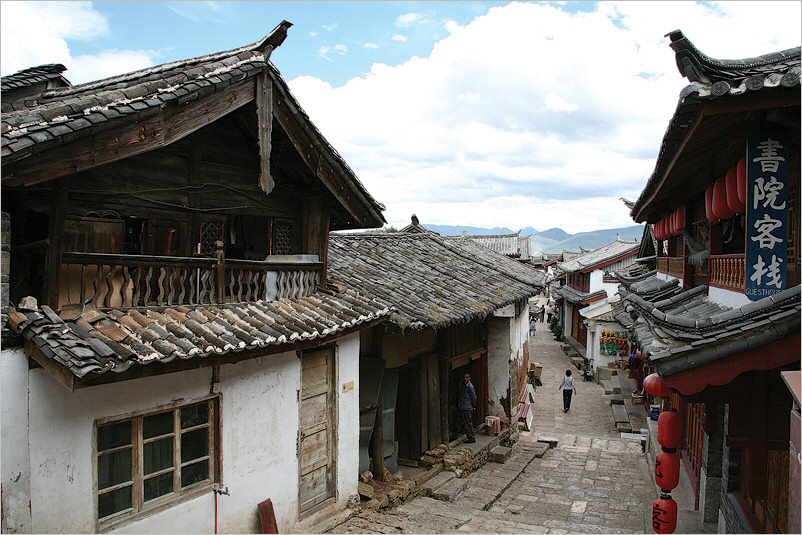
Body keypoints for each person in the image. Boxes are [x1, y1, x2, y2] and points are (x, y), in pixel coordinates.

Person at [458, 373, 478, 443]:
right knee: (462, 422)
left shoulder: (470, 387)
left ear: (469, 378)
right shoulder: (465, 386)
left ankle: (471, 438)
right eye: (464, 377)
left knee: (467, 423)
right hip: (463, 406)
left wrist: (473, 405)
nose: (465, 379)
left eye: (466, 377)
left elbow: (474, 397)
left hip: (467, 407)